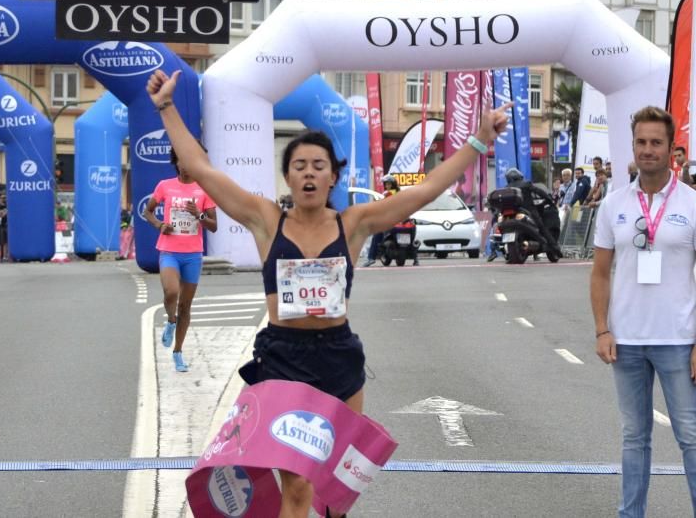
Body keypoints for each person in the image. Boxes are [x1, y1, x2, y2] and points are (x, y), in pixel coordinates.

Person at [148, 68, 510, 518]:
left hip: (339, 358)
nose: (309, 174)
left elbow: (429, 190)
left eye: (319, 166)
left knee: (333, 495)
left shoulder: (353, 224)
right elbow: (200, 169)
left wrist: (478, 139)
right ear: (288, 177)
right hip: (282, 359)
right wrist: (166, 107)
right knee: (296, 488)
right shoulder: (265, 220)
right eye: (299, 166)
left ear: (333, 177)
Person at [591, 106, 696, 518]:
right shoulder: (613, 204)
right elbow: (600, 274)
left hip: (678, 339)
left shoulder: (691, 203)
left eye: (656, 142)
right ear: (632, 146)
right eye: (641, 142)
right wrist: (602, 329)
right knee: (634, 437)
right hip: (627, 340)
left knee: (690, 435)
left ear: (671, 148)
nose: (648, 150)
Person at [142, 146, 218, 372]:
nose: (185, 166)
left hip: (193, 255)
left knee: (185, 305)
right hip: (169, 251)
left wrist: (199, 214)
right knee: (171, 292)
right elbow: (148, 211)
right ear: (176, 162)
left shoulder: (204, 190)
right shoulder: (165, 186)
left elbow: (213, 226)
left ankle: (178, 352)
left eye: (189, 161)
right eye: (181, 161)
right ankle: (170, 321)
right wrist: (159, 225)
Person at [363, 174, 402, 267]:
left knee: (376, 235)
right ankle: (415, 258)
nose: (388, 186)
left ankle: (371, 258)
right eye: (386, 184)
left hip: (390, 220)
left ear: (393, 184)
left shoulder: (387, 194)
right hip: (399, 220)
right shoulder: (399, 193)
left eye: (389, 184)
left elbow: (380, 205)